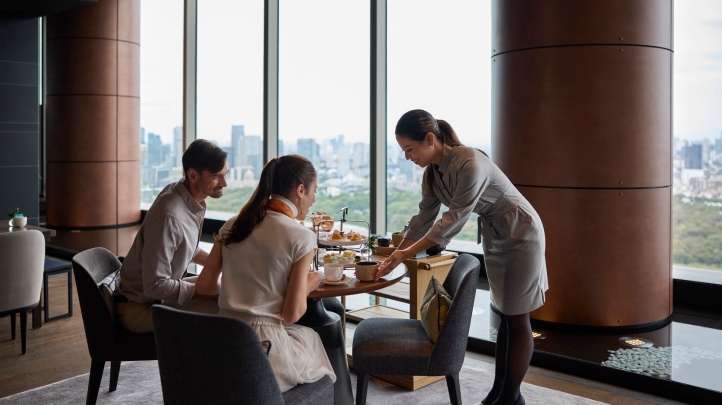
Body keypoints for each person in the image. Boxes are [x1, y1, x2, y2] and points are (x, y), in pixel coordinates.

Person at [377, 109, 548, 405]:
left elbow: (453, 219)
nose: (407, 157)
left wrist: (405, 253)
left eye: (409, 149)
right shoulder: (432, 174)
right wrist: (396, 254)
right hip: (496, 235)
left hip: (521, 233)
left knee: (518, 317)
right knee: (505, 315)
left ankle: (511, 396)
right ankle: (500, 390)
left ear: (430, 139)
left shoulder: (469, 161)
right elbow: (423, 219)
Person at [196, 155, 336, 392]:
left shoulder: (233, 223)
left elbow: (204, 287)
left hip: (223, 341)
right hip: (264, 348)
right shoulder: (302, 236)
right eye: (314, 191)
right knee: (313, 340)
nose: (313, 199)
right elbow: (291, 314)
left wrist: (245, 293)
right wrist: (307, 285)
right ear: (300, 190)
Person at [115, 139, 228, 333]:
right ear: (193, 175)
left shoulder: (180, 194)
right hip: (140, 309)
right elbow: (155, 285)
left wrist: (223, 265)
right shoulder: (170, 216)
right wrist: (203, 291)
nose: (225, 183)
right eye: (216, 177)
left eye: (225, 174)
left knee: (230, 291)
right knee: (229, 313)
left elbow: (185, 248)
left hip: (153, 299)